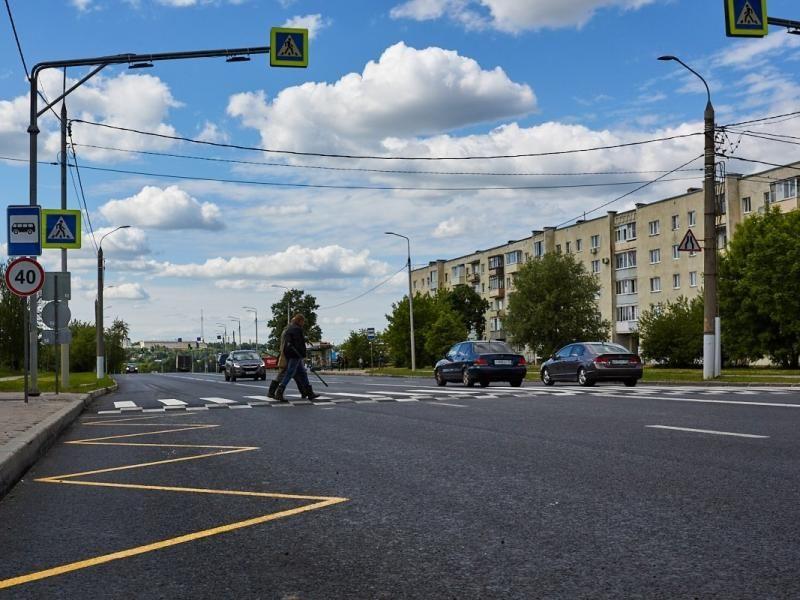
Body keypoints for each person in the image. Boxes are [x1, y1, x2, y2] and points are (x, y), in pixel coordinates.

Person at [274, 314, 320, 402]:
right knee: (290, 372)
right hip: (295, 354)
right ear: (300, 321)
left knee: (302, 372)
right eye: (303, 322)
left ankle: (309, 392)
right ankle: (279, 392)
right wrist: (303, 354)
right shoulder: (297, 329)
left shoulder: (289, 329)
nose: (303, 323)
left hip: (290, 354)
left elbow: (288, 343)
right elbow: (299, 344)